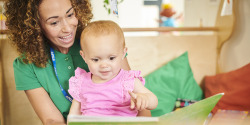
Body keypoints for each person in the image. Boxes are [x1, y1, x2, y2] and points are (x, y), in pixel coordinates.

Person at [4, 0, 152, 124]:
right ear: (34, 26)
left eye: (70, 15)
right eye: (54, 22)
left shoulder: (103, 42)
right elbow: (52, 121)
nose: (67, 28)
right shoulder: (26, 64)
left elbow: (138, 101)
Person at [68, 20, 158, 117]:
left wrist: (144, 98)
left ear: (123, 53)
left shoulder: (128, 81)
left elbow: (154, 101)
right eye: (96, 60)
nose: (104, 65)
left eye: (111, 58)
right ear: (84, 56)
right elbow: (74, 114)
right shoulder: (81, 83)